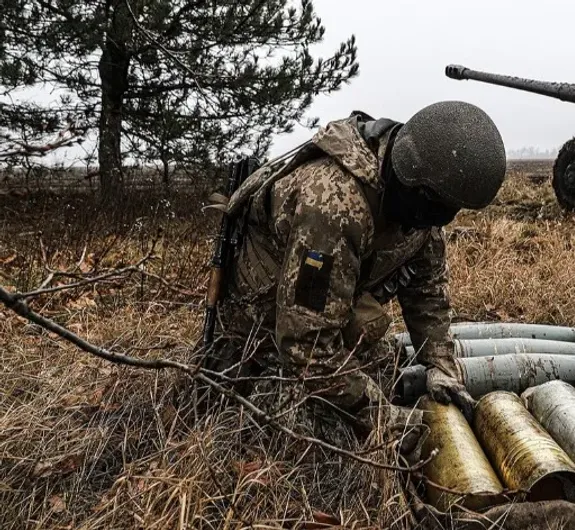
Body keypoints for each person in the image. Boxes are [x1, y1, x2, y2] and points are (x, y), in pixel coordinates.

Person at [200, 101, 507, 426]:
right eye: (442, 208)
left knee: (384, 377)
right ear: (419, 190)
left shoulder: (420, 204)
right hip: (259, 309)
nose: (443, 219)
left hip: (327, 298)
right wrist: (381, 417)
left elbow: (426, 291)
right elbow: (307, 346)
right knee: (269, 419)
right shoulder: (334, 205)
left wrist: (439, 365)